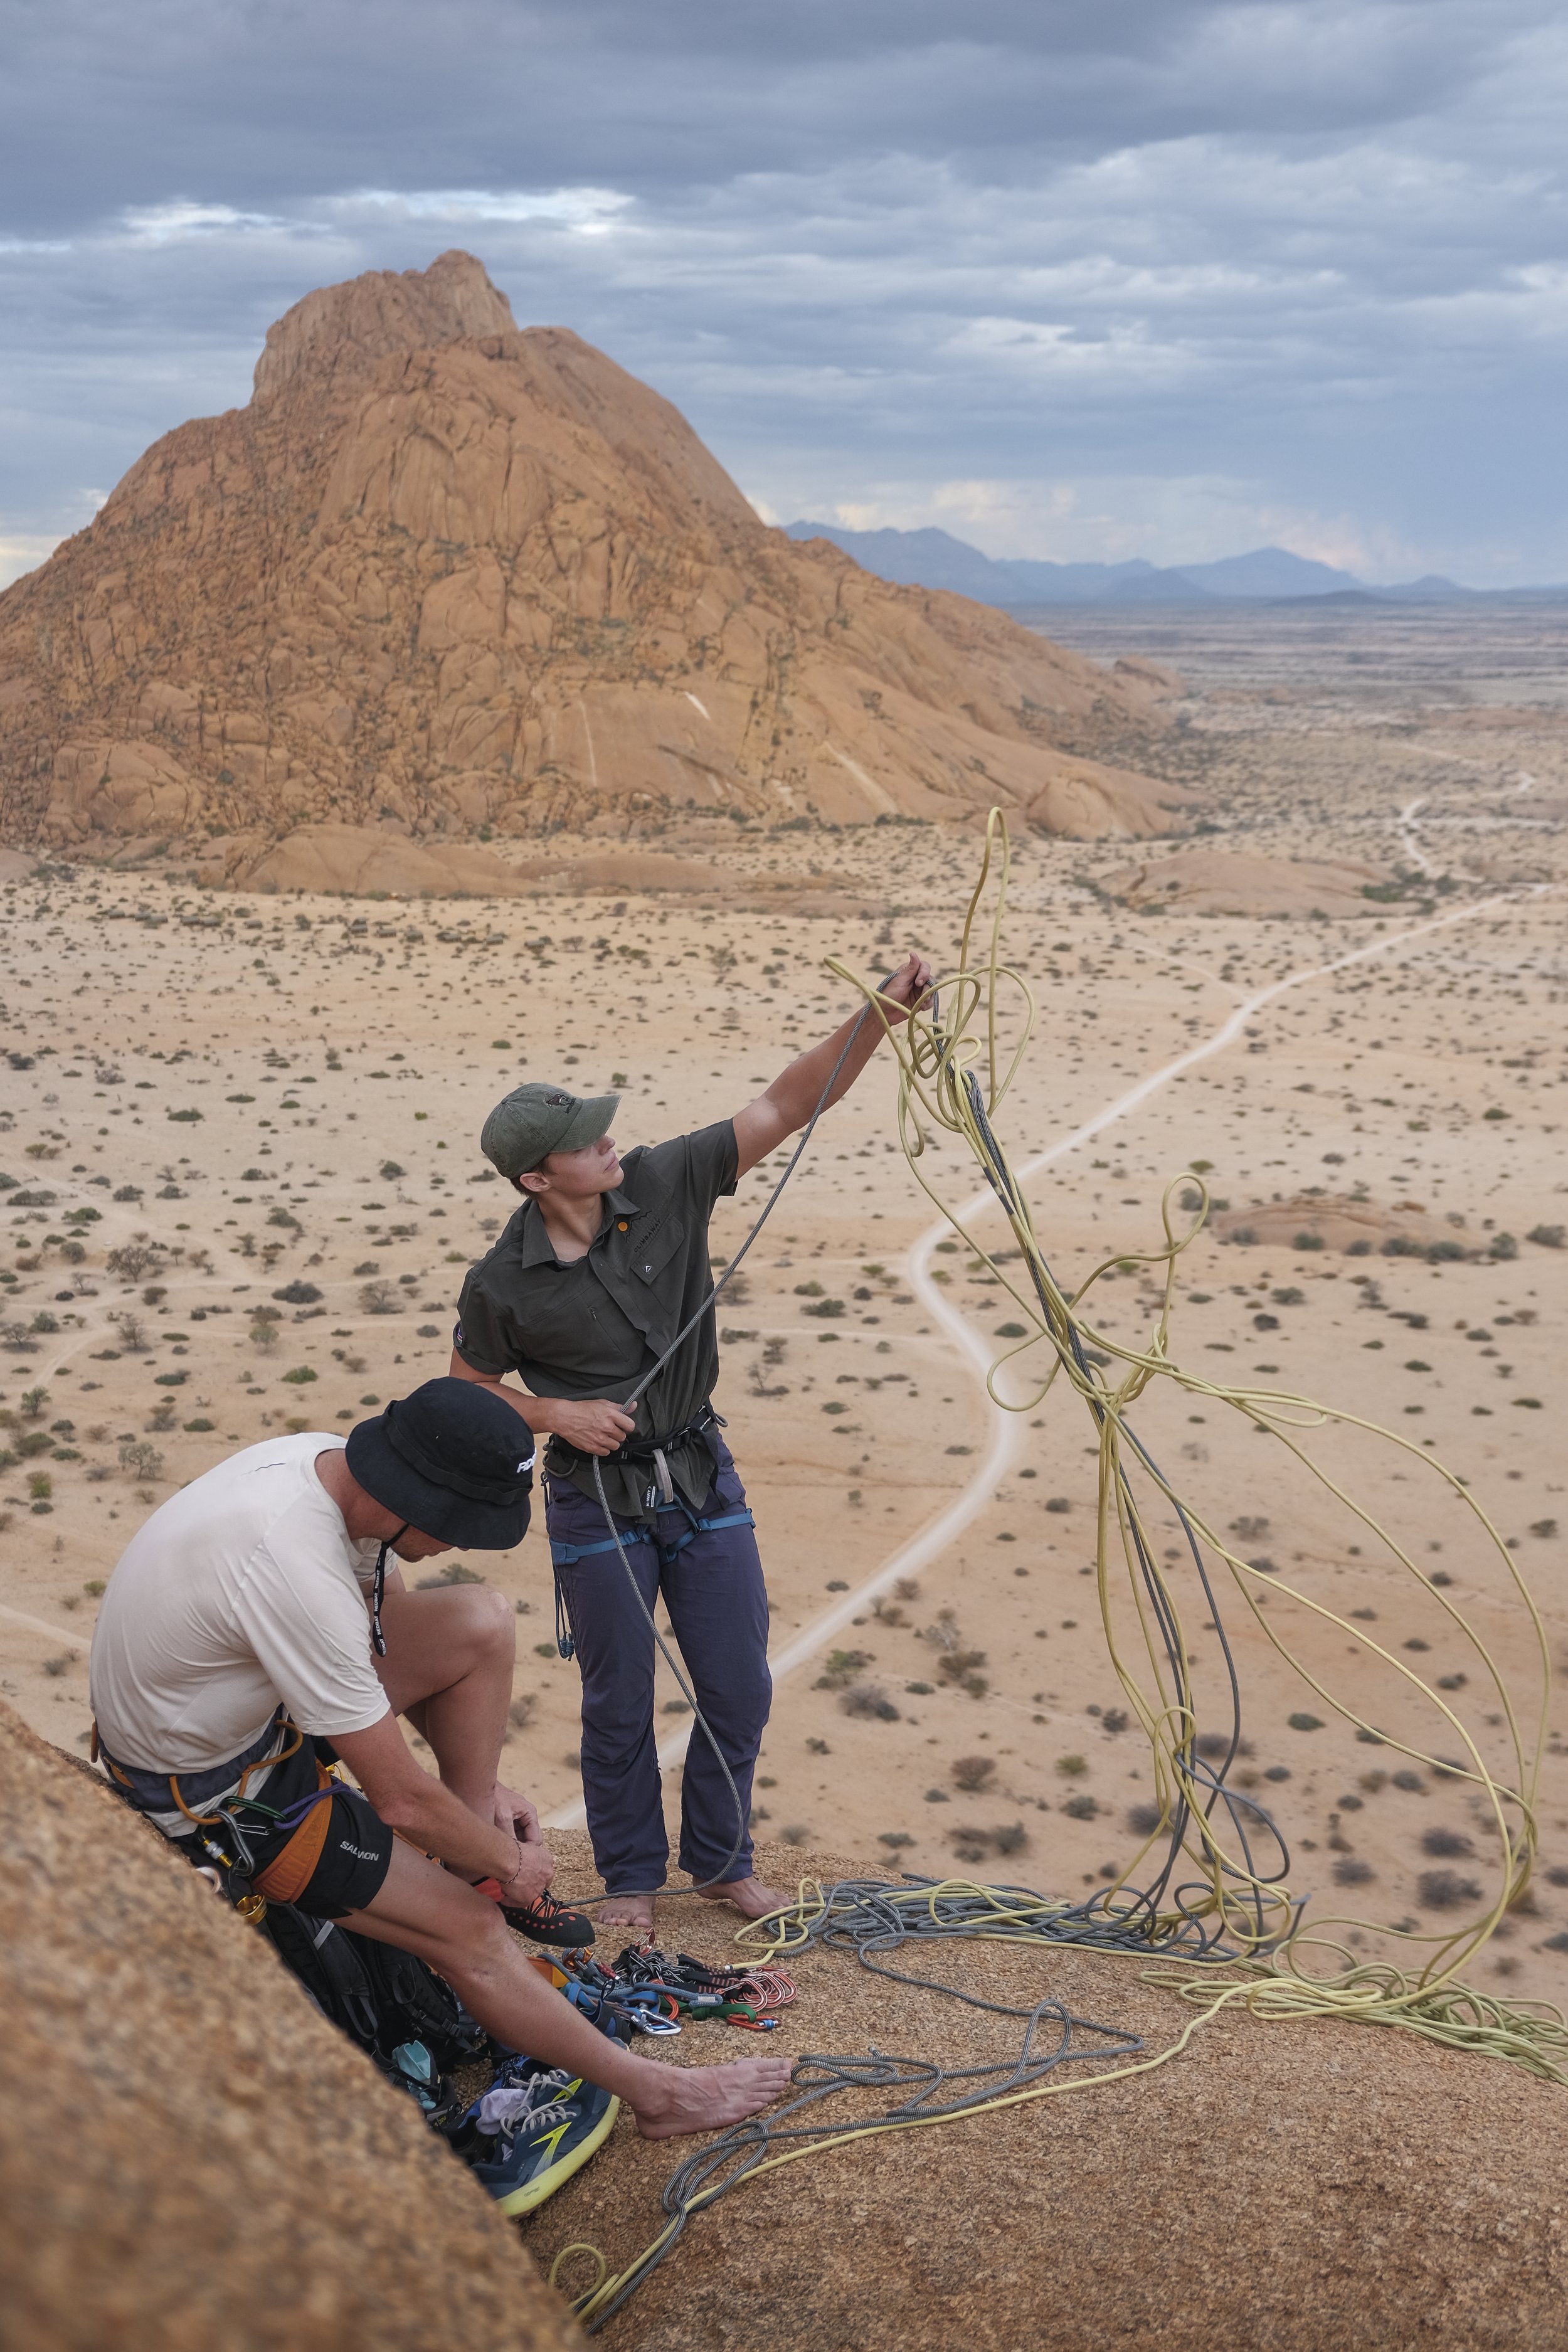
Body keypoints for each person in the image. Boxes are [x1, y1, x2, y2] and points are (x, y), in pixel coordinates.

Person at [88, 1378, 791, 2140]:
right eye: (460, 1524)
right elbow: (397, 1802)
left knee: (479, 1622)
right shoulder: (293, 1567)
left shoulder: (325, 1469)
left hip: (250, 1705)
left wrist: (476, 1803)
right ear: (410, 1496)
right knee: (471, 1931)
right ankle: (657, 2096)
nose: (457, 1543)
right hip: (216, 1790)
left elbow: (374, 1638)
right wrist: (510, 1867)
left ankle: (466, 1841)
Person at [448, 950, 935, 1932]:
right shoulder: (503, 1282)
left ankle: (721, 1861)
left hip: (700, 1473)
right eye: (587, 1142)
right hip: (595, 1496)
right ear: (540, 1177)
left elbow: (781, 1106)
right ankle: (631, 1875)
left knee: (737, 1681)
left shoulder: (665, 1177)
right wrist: (557, 1414)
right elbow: (466, 1395)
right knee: (618, 1697)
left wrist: (875, 1018)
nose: (611, 1140)